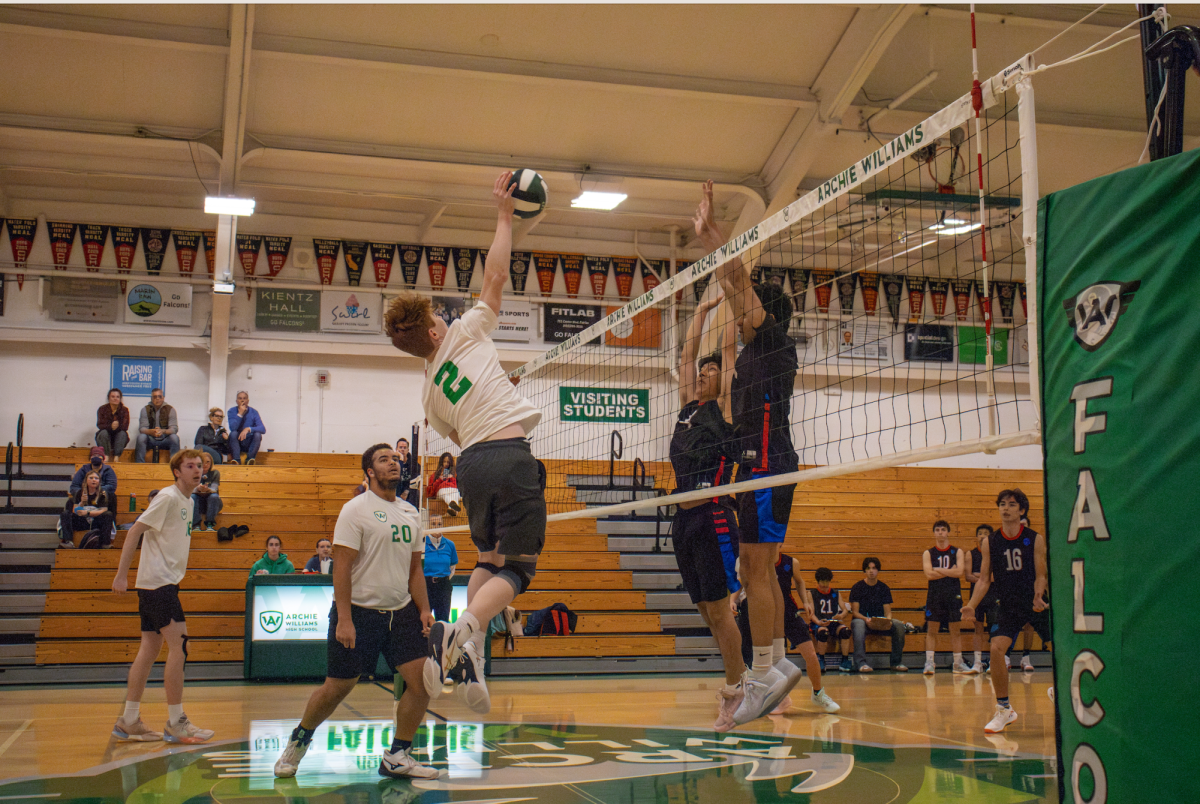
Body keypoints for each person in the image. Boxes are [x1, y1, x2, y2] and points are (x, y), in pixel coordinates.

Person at [384, 171, 545, 715]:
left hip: (471, 464)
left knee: (489, 557)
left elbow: (461, 427)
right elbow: (496, 275)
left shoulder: (428, 393)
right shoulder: (465, 331)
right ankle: (467, 627)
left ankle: (469, 645)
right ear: (433, 332)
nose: (443, 318)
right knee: (521, 568)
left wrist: (499, 389)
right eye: (436, 317)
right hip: (508, 455)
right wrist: (504, 216)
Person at [695, 179, 802, 723]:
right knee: (765, 569)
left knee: (753, 570)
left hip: (764, 464)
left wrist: (715, 233)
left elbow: (735, 278)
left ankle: (761, 675)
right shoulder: (767, 351)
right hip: (767, 460)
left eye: (746, 312)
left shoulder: (773, 338)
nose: (738, 318)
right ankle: (779, 663)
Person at [274, 444, 435, 781]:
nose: (392, 463)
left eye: (395, 458)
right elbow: (342, 566)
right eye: (383, 459)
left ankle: (397, 755)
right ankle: (299, 741)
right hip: (360, 613)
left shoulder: (410, 511)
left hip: (401, 612)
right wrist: (344, 618)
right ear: (370, 472)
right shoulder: (355, 509)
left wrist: (424, 609)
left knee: (423, 684)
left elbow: (415, 570)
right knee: (337, 688)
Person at [669, 292, 751, 730]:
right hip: (684, 521)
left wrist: (728, 310)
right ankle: (743, 680)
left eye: (711, 369)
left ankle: (736, 692)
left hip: (715, 516)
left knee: (720, 613)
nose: (703, 374)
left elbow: (730, 353)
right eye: (701, 371)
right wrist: (699, 311)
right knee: (705, 611)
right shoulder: (687, 408)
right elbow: (686, 357)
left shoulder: (724, 409)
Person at [110, 449, 213, 744]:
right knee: (180, 646)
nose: (197, 470)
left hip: (160, 583)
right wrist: (120, 575)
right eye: (190, 466)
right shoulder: (166, 497)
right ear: (176, 472)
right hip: (158, 584)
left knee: (150, 649)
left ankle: (129, 720)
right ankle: (176, 722)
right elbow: (133, 533)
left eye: (199, 466)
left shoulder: (189, 501)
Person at [961, 488, 1050, 734]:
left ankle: (1064, 691)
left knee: (1060, 648)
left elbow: (1041, 574)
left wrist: (1039, 594)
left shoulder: (1035, 538)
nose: (1005, 508)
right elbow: (984, 579)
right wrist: (971, 604)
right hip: (1008, 605)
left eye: (1011, 504)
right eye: (1002, 504)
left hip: (1033, 601)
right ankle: (1004, 709)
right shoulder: (991, 541)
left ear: (1021, 510)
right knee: (996, 649)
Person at [768, 552, 840, 716]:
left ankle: (818, 693)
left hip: (789, 612)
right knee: (771, 659)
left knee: (812, 655)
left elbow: (799, 581)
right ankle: (778, 697)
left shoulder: (791, 562)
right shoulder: (760, 560)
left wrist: (806, 602)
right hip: (768, 613)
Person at [922, 520, 968, 674]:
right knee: (932, 630)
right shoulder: (928, 553)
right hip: (935, 595)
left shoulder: (958, 551)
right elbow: (929, 575)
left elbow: (959, 572)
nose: (940, 532)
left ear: (948, 532)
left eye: (943, 529)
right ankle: (929, 663)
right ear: (934, 533)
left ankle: (958, 663)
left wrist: (938, 569)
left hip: (953, 595)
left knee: (955, 631)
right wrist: (949, 570)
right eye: (937, 530)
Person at [849, 557, 908, 672]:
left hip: (880, 621)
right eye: (868, 568)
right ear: (864, 571)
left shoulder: (884, 588)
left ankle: (896, 663)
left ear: (878, 570)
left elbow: (888, 612)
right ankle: (861, 663)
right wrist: (867, 619)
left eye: (874, 568)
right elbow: (855, 612)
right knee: (858, 625)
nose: (871, 571)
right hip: (864, 621)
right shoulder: (857, 587)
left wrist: (888, 621)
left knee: (899, 625)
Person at [963, 524, 997, 673]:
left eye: (986, 533)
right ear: (976, 537)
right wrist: (983, 578)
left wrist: (981, 576)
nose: (982, 536)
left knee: (993, 630)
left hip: (993, 595)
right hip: (977, 595)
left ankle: (992, 662)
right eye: (980, 533)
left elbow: (995, 577)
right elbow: (968, 576)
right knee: (977, 629)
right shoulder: (971, 554)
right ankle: (977, 662)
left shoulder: (995, 554)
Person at [808, 567, 853, 673]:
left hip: (833, 623)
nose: (824, 585)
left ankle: (845, 660)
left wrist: (841, 616)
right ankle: (821, 659)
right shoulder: (812, 594)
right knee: (823, 632)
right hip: (819, 623)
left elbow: (845, 610)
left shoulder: (834, 593)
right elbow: (811, 614)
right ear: (818, 581)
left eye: (827, 582)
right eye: (822, 582)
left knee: (845, 631)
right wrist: (818, 622)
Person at [59, 469, 115, 548]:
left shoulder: (103, 493)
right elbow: (75, 510)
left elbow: (103, 510)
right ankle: (68, 541)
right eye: (91, 478)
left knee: (108, 515)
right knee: (65, 514)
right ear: (86, 480)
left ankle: (105, 544)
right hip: (82, 521)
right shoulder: (79, 493)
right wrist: (81, 503)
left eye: (96, 478)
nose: (93, 480)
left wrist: (88, 513)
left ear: (99, 481)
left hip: (96, 521)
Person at [423, 515, 458, 623]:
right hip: (425, 586)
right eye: (433, 524)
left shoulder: (450, 544)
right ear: (428, 525)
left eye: (439, 524)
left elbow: (452, 567)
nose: (437, 527)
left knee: (443, 622)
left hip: (443, 587)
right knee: (423, 621)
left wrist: (442, 579)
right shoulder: (422, 543)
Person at [134, 388, 180, 463]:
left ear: (163, 398)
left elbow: (174, 429)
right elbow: (142, 429)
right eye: (155, 397)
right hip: (150, 439)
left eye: (159, 396)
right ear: (151, 398)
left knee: (174, 438)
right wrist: (151, 432)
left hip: (165, 439)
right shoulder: (145, 409)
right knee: (141, 437)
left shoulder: (170, 409)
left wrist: (163, 431)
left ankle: (175, 464)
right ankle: (139, 464)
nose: (157, 399)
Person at [227, 391, 266, 465]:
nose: (242, 400)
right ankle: (237, 460)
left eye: (244, 398)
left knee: (257, 434)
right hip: (237, 443)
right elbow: (233, 428)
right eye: (240, 398)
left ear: (247, 401)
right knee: (233, 433)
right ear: (236, 401)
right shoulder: (231, 411)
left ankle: (249, 460)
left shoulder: (254, 412)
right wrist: (240, 414)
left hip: (248, 442)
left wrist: (248, 429)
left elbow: (262, 429)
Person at [96, 388, 130, 462]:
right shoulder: (102, 409)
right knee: (103, 433)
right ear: (109, 398)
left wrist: (118, 426)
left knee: (123, 434)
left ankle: (116, 457)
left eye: (117, 397)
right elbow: (100, 425)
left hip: (118, 438)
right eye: (113, 396)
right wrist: (110, 426)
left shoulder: (124, 410)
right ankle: (106, 456)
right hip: (105, 437)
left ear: (120, 399)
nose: (115, 399)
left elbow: (125, 427)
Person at [191, 451, 222, 532]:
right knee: (192, 497)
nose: (205, 464)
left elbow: (214, 489)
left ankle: (210, 525)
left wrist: (207, 490)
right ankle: (196, 525)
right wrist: (197, 489)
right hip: (198, 504)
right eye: (203, 462)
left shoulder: (215, 473)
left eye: (208, 462)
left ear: (211, 463)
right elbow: (190, 489)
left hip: (213, 504)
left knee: (214, 496)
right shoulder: (194, 473)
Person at [425, 452, 462, 517]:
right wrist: (439, 479)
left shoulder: (455, 474)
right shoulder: (435, 474)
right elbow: (431, 490)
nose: (446, 464)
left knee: (456, 493)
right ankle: (453, 508)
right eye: (444, 461)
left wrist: (452, 478)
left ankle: (452, 509)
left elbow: (459, 487)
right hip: (441, 491)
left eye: (448, 462)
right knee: (444, 493)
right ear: (441, 462)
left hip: (453, 490)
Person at [395, 438, 420, 505]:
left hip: (408, 491)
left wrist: (406, 491)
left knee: (416, 492)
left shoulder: (414, 464)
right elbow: (396, 477)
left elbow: (416, 480)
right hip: (396, 490)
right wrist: (401, 459)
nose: (402, 449)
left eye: (405, 447)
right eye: (400, 447)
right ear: (396, 449)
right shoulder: (393, 463)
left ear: (408, 450)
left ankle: (413, 513)